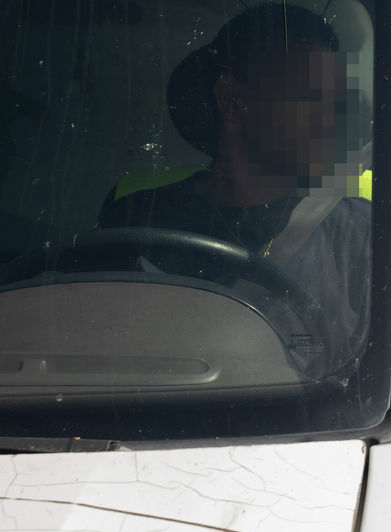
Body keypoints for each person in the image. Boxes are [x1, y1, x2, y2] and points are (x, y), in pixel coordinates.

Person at [96, 3, 370, 372]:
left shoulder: (359, 234)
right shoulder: (135, 221)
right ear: (233, 99)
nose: (328, 121)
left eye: (333, 102)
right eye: (308, 96)